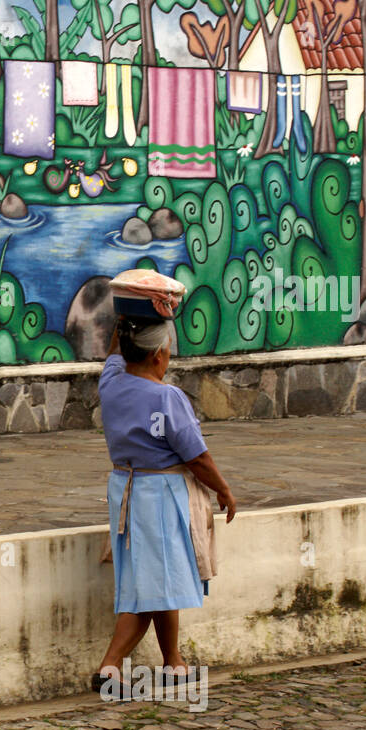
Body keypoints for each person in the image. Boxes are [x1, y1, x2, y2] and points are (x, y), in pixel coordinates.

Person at [93, 271, 237, 697]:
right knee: (150, 589)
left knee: (160, 580)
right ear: (159, 356)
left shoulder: (111, 382)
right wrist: (224, 490)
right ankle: (111, 667)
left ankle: (174, 662)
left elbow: (115, 353)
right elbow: (197, 456)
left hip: (126, 491)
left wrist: (128, 318)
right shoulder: (167, 398)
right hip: (160, 496)